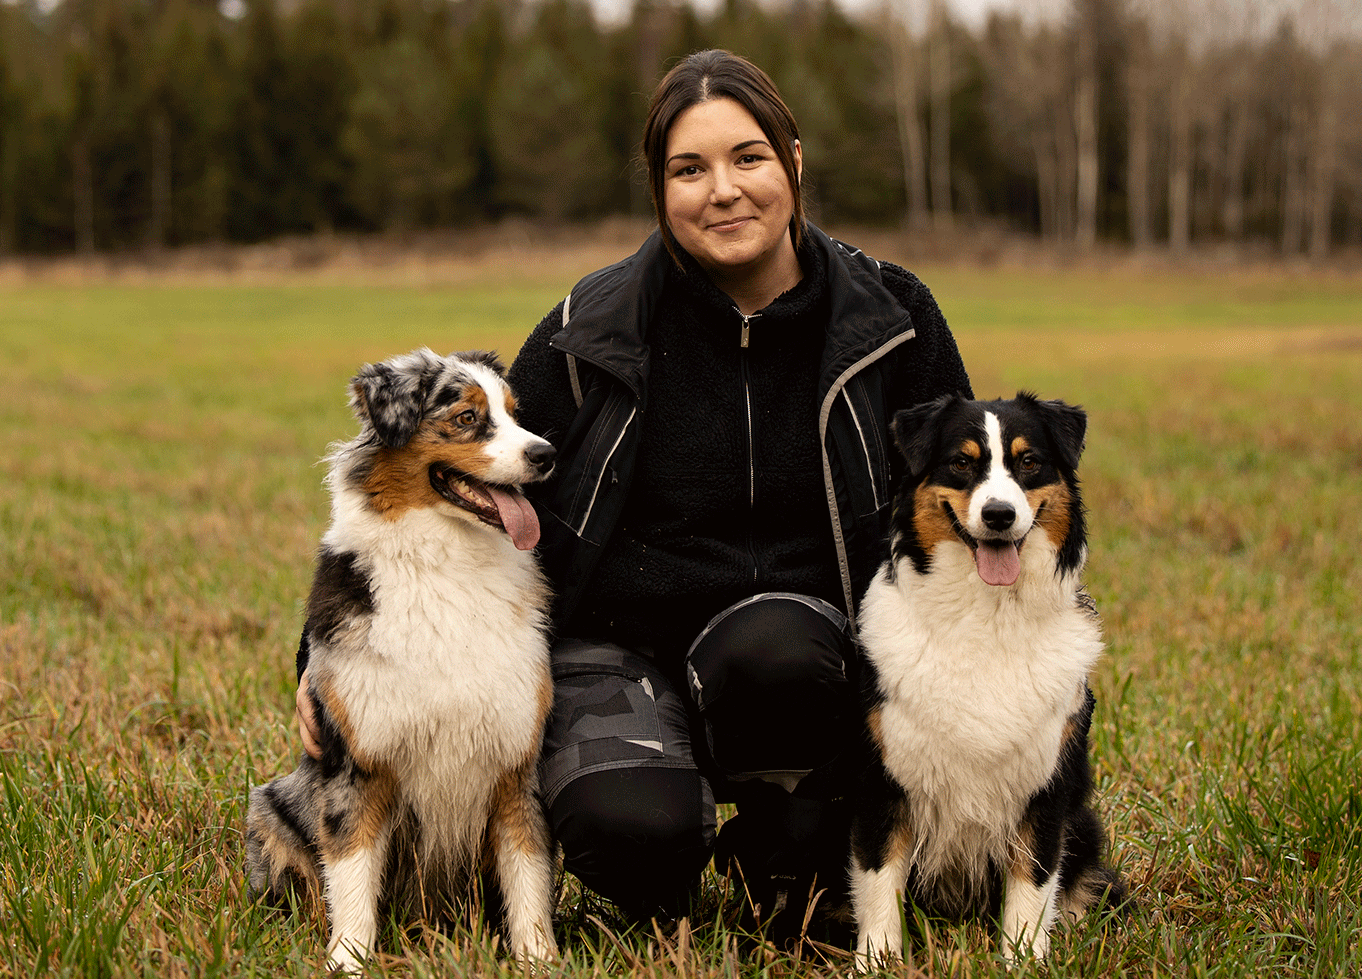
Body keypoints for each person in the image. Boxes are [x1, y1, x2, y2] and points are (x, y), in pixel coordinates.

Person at [296, 48, 972, 937]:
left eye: (748, 158)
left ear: (794, 161)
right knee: (632, 837)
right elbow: (431, 482)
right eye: (688, 169)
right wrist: (316, 661)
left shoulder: (893, 316)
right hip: (619, 651)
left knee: (779, 669)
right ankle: (674, 838)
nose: (722, 190)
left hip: (808, 651)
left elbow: (971, 494)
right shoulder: (592, 327)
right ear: (658, 188)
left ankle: (786, 850)